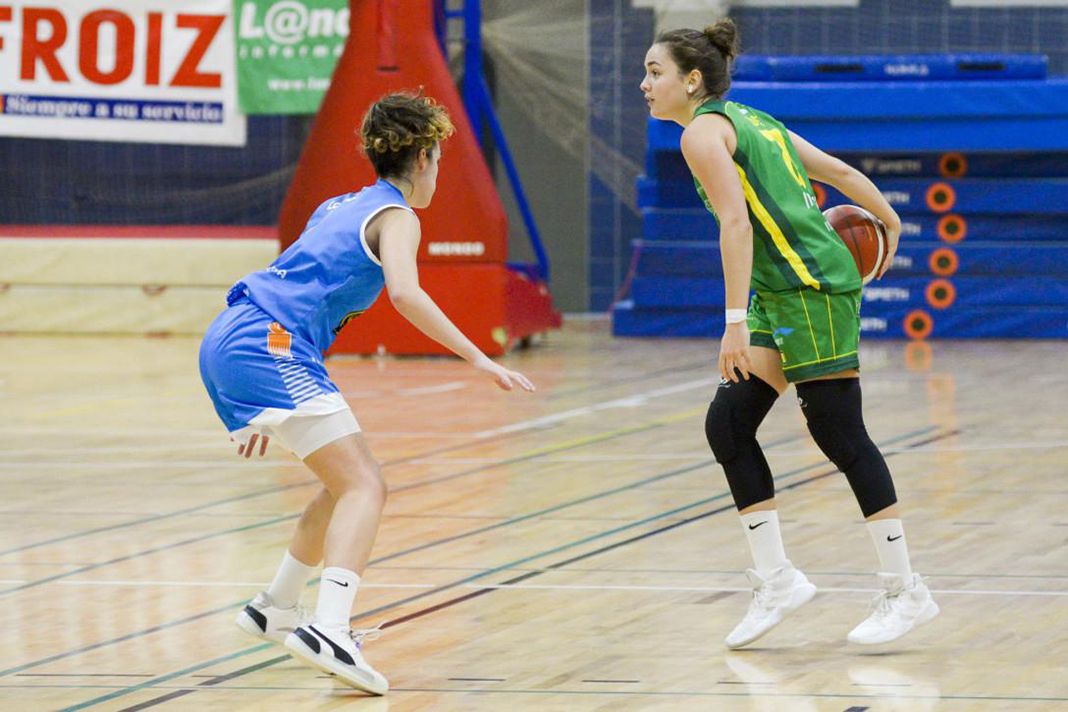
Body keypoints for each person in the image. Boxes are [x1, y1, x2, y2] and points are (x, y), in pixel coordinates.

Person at [199, 91, 535, 694]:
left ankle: (275, 606)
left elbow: (294, 284)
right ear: (427, 154)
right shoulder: (400, 217)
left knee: (341, 482)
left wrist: (247, 403)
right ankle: (329, 627)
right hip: (268, 343)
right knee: (365, 484)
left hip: (237, 334)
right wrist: (481, 356)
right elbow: (405, 294)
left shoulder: (340, 205)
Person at [640, 20, 938, 648]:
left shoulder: (702, 134)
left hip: (810, 291)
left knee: (838, 430)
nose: (645, 84)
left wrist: (731, 323)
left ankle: (905, 590)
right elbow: (839, 173)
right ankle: (777, 581)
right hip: (783, 292)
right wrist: (889, 220)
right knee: (728, 424)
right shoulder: (754, 121)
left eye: (655, 72)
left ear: (692, 82)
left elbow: (735, 224)